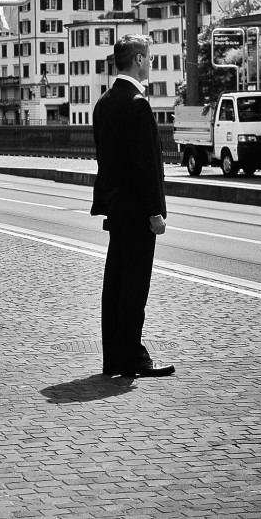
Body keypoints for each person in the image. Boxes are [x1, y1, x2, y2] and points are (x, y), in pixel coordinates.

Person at [90, 34, 175, 379]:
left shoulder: (104, 102)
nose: (151, 64)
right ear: (138, 60)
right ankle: (133, 357)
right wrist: (155, 211)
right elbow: (145, 165)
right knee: (135, 286)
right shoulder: (137, 103)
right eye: (150, 58)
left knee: (115, 285)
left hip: (115, 208)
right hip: (138, 212)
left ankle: (113, 356)